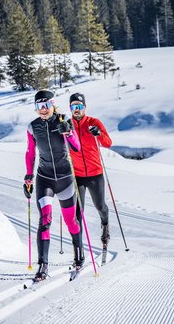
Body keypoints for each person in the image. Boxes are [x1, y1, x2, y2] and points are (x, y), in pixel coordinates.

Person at [24, 89, 84, 281]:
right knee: (45, 221)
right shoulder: (32, 127)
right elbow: (30, 153)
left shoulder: (63, 120)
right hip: (45, 178)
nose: (43, 109)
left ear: (52, 104)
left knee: (70, 221)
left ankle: (79, 254)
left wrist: (68, 132)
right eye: (39, 106)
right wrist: (28, 176)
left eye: (46, 105)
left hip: (66, 178)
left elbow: (76, 147)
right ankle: (43, 265)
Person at [68, 93, 113, 248]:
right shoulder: (67, 125)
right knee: (77, 213)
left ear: (84, 108)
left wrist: (98, 134)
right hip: (77, 175)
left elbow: (108, 143)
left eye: (79, 106)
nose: (77, 110)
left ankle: (105, 224)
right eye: (74, 107)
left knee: (100, 206)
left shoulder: (94, 122)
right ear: (70, 109)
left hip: (95, 174)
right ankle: (78, 247)